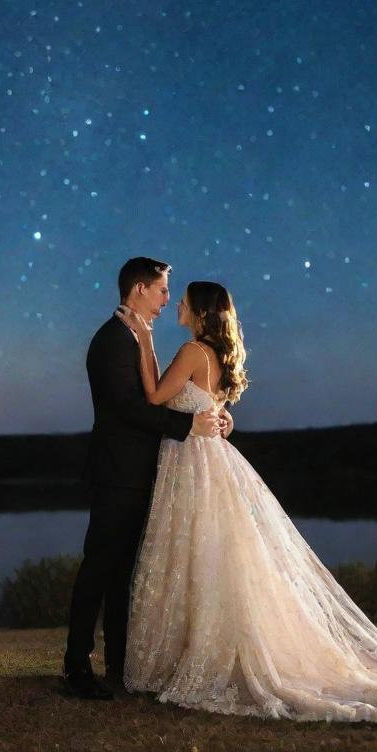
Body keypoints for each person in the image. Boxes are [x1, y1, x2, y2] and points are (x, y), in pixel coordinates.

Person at [117, 280, 377, 723]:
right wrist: (222, 418)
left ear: (202, 312)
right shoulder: (218, 356)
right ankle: (209, 645)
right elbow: (213, 406)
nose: (178, 306)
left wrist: (145, 339)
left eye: (184, 301)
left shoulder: (192, 353)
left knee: (198, 553)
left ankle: (204, 652)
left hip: (194, 462)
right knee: (214, 555)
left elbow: (154, 396)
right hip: (212, 461)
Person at [62, 258, 227, 700]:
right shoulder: (112, 340)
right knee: (98, 567)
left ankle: (120, 664)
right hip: (117, 472)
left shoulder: (139, 336)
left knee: (124, 573)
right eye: (160, 291)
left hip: (148, 472)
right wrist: (186, 427)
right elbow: (129, 408)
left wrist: (210, 414)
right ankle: (76, 666)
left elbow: (163, 397)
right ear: (139, 288)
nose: (166, 301)